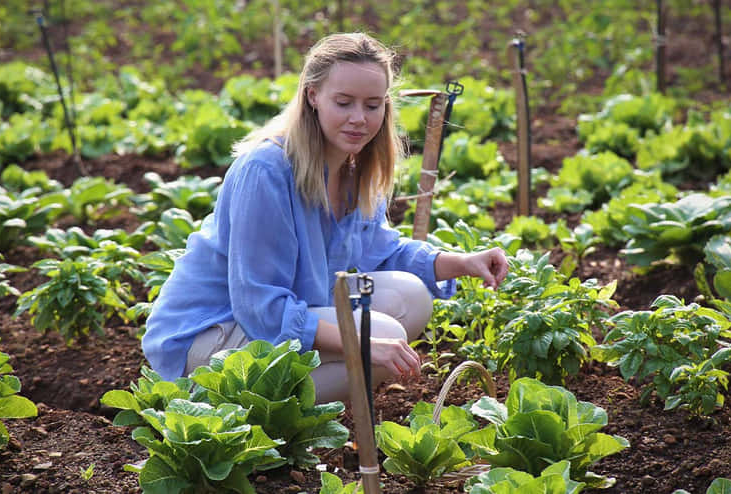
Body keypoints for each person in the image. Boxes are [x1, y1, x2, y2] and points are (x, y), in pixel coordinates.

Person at [143, 32, 508, 403]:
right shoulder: (266, 171)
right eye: (344, 102)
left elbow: (380, 250)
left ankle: (293, 404)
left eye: (372, 105)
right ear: (313, 96)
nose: (359, 119)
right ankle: (235, 410)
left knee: (410, 296)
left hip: (283, 310)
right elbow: (260, 306)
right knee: (376, 334)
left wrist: (463, 262)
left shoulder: (354, 167)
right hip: (212, 334)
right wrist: (361, 344)